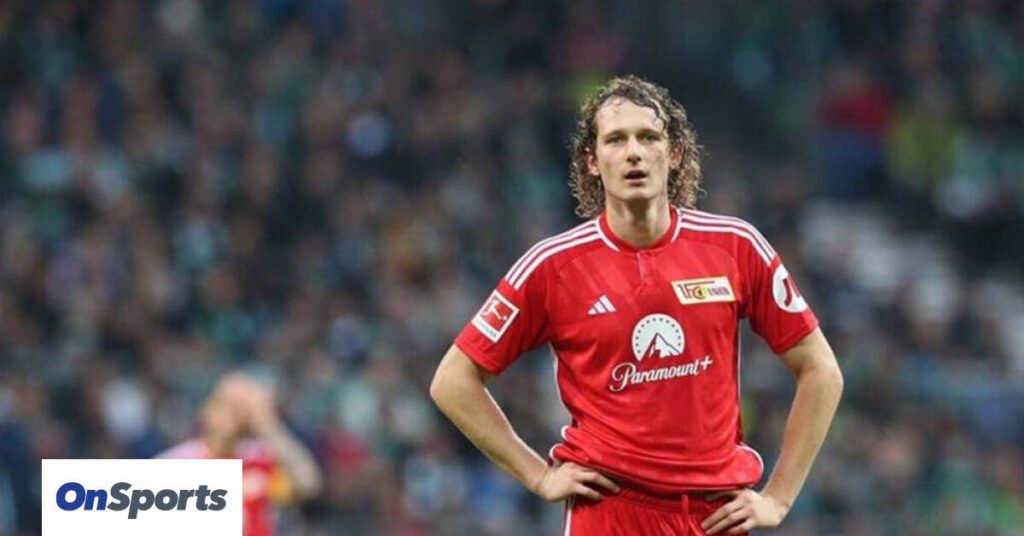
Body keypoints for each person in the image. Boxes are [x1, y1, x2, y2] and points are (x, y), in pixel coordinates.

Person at [430, 76, 843, 535]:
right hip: (611, 512)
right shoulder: (554, 266)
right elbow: (453, 381)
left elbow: (821, 370)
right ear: (592, 161)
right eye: (616, 140)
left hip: (715, 517)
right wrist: (538, 476)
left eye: (649, 137)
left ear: (676, 153)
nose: (634, 153)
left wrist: (779, 498)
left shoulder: (735, 246)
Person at [159, 373, 322, 536]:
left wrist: (267, 425)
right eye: (225, 405)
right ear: (205, 410)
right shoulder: (178, 462)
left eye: (240, 408)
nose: (233, 415)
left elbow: (308, 485)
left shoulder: (259, 457)